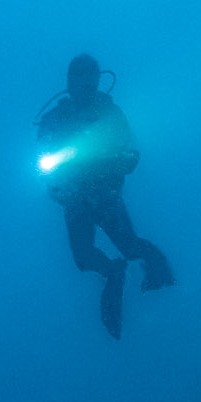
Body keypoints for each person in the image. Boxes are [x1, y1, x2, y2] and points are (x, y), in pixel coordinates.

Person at [36, 54, 174, 338]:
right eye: (79, 79)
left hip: (104, 192)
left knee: (129, 245)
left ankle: (163, 282)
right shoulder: (54, 118)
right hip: (77, 198)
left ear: (97, 80)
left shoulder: (110, 113)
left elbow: (132, 150)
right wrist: (55, 186)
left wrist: (124, 161)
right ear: (70, 82)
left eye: (90, 79)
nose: (85, 85)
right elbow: (42, 163)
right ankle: (116, 274)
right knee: (84, 257)